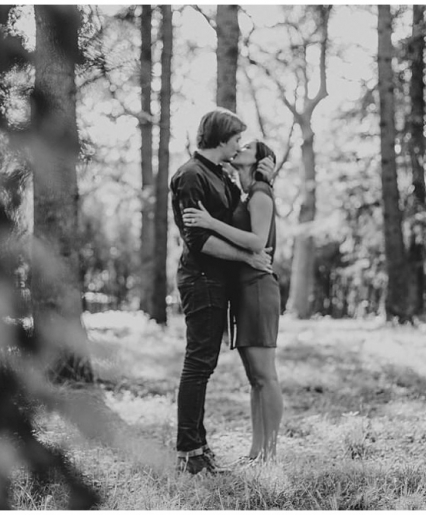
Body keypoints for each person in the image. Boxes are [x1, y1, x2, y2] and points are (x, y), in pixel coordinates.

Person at [170, 109, 275, 475]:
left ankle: (199, 446)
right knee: (198, 363)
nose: (238, 145)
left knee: (206, 364)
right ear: (221, 137)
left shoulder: (221, 175)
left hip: (220, 282)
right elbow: (198, 240)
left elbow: (245, 215)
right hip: (201, 279)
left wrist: (265, 177)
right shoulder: (190, 175)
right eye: (236, 139)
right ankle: (189, 452)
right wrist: (248, 257)